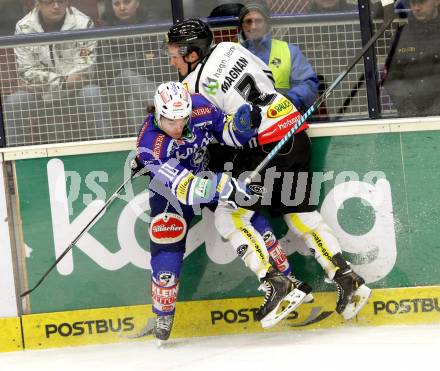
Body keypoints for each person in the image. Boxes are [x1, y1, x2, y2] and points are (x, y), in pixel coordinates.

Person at [164, 18, 371, 321]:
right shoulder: (229, 47)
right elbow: (268, 77)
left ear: (191, 52)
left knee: (229, 216)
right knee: (298, 210)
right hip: (294, 129)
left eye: (173, 53)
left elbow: (213, 131)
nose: (171, 60)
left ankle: (277, 284)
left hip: (267, 146)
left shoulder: (191, 87)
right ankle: (346, 276)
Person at [134, 81, 306, 341]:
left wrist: (242, 124)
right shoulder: (150, 144)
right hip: (172, 191)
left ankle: (286, 280)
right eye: (171, 122)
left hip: (207, 171)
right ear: (158, 115)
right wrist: (224, 186)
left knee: (247, 213)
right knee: (166, 244)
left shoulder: (200, 107)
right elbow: (186, 188)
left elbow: (228, 133)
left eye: (183, 119)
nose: (178, 127)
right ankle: (164, 313)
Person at [3, 0, 109, 145]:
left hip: (75, 92)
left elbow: (85, 67)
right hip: (40, 95)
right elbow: (26, 71)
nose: (56, 6)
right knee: (15, 101)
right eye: (49, 2)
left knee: (92, 93)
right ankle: (14, 160)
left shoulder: (83, 23)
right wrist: (64, 81)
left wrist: (48, 82)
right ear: (38, 3)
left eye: (61, 1)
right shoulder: (24, 27)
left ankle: (107, 148)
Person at [238, 1, 319, 115]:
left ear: (267, 23)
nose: (253, 26)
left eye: (259, 21)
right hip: (245, 124)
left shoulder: (289, 51)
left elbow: (308, 85)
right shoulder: (230, 53)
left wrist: (287, 101)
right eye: (248, 21)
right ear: (241, 25)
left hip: (283, 119)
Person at [98, 0, 156, 132]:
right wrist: (140, 58)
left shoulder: (152, 23)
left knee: (134, 100)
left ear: (138, 3)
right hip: (114, 88)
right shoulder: (105, 27)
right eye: (116, 4)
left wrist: (136, 61)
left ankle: (144, 145)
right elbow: (107, 67)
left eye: (127, 2)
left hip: (144, 85)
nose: (122, 8)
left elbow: (158, 62)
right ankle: (161, 106)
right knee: (127, 74)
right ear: (111, 6)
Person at [383, 0, 440, 117]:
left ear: (436, 1)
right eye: (413, 3)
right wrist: (408, 109)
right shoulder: (401, 35)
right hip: (409, 117)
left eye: (421, 2)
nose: (416, 8)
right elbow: (391, 78)